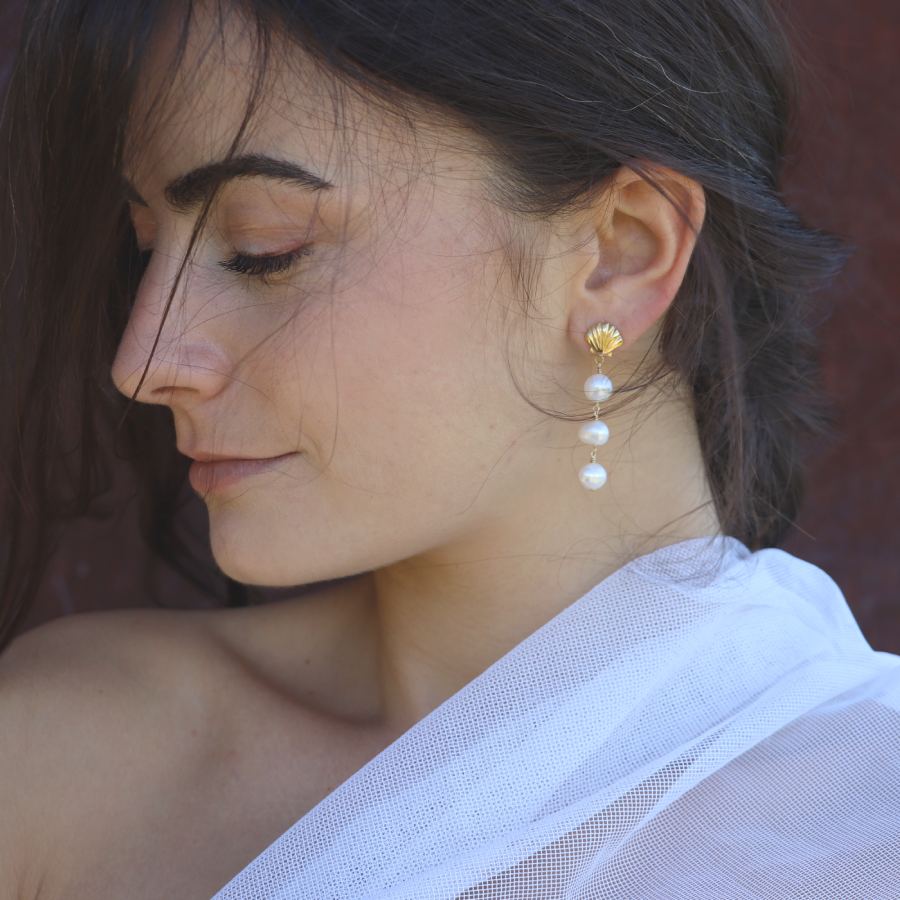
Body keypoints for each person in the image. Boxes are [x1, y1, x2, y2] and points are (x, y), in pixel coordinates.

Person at [1, 0, 897, 897]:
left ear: (619, 253)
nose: (144, 361)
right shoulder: (65, 761)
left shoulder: (862, 813)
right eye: (143, 249)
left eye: (263, 249)